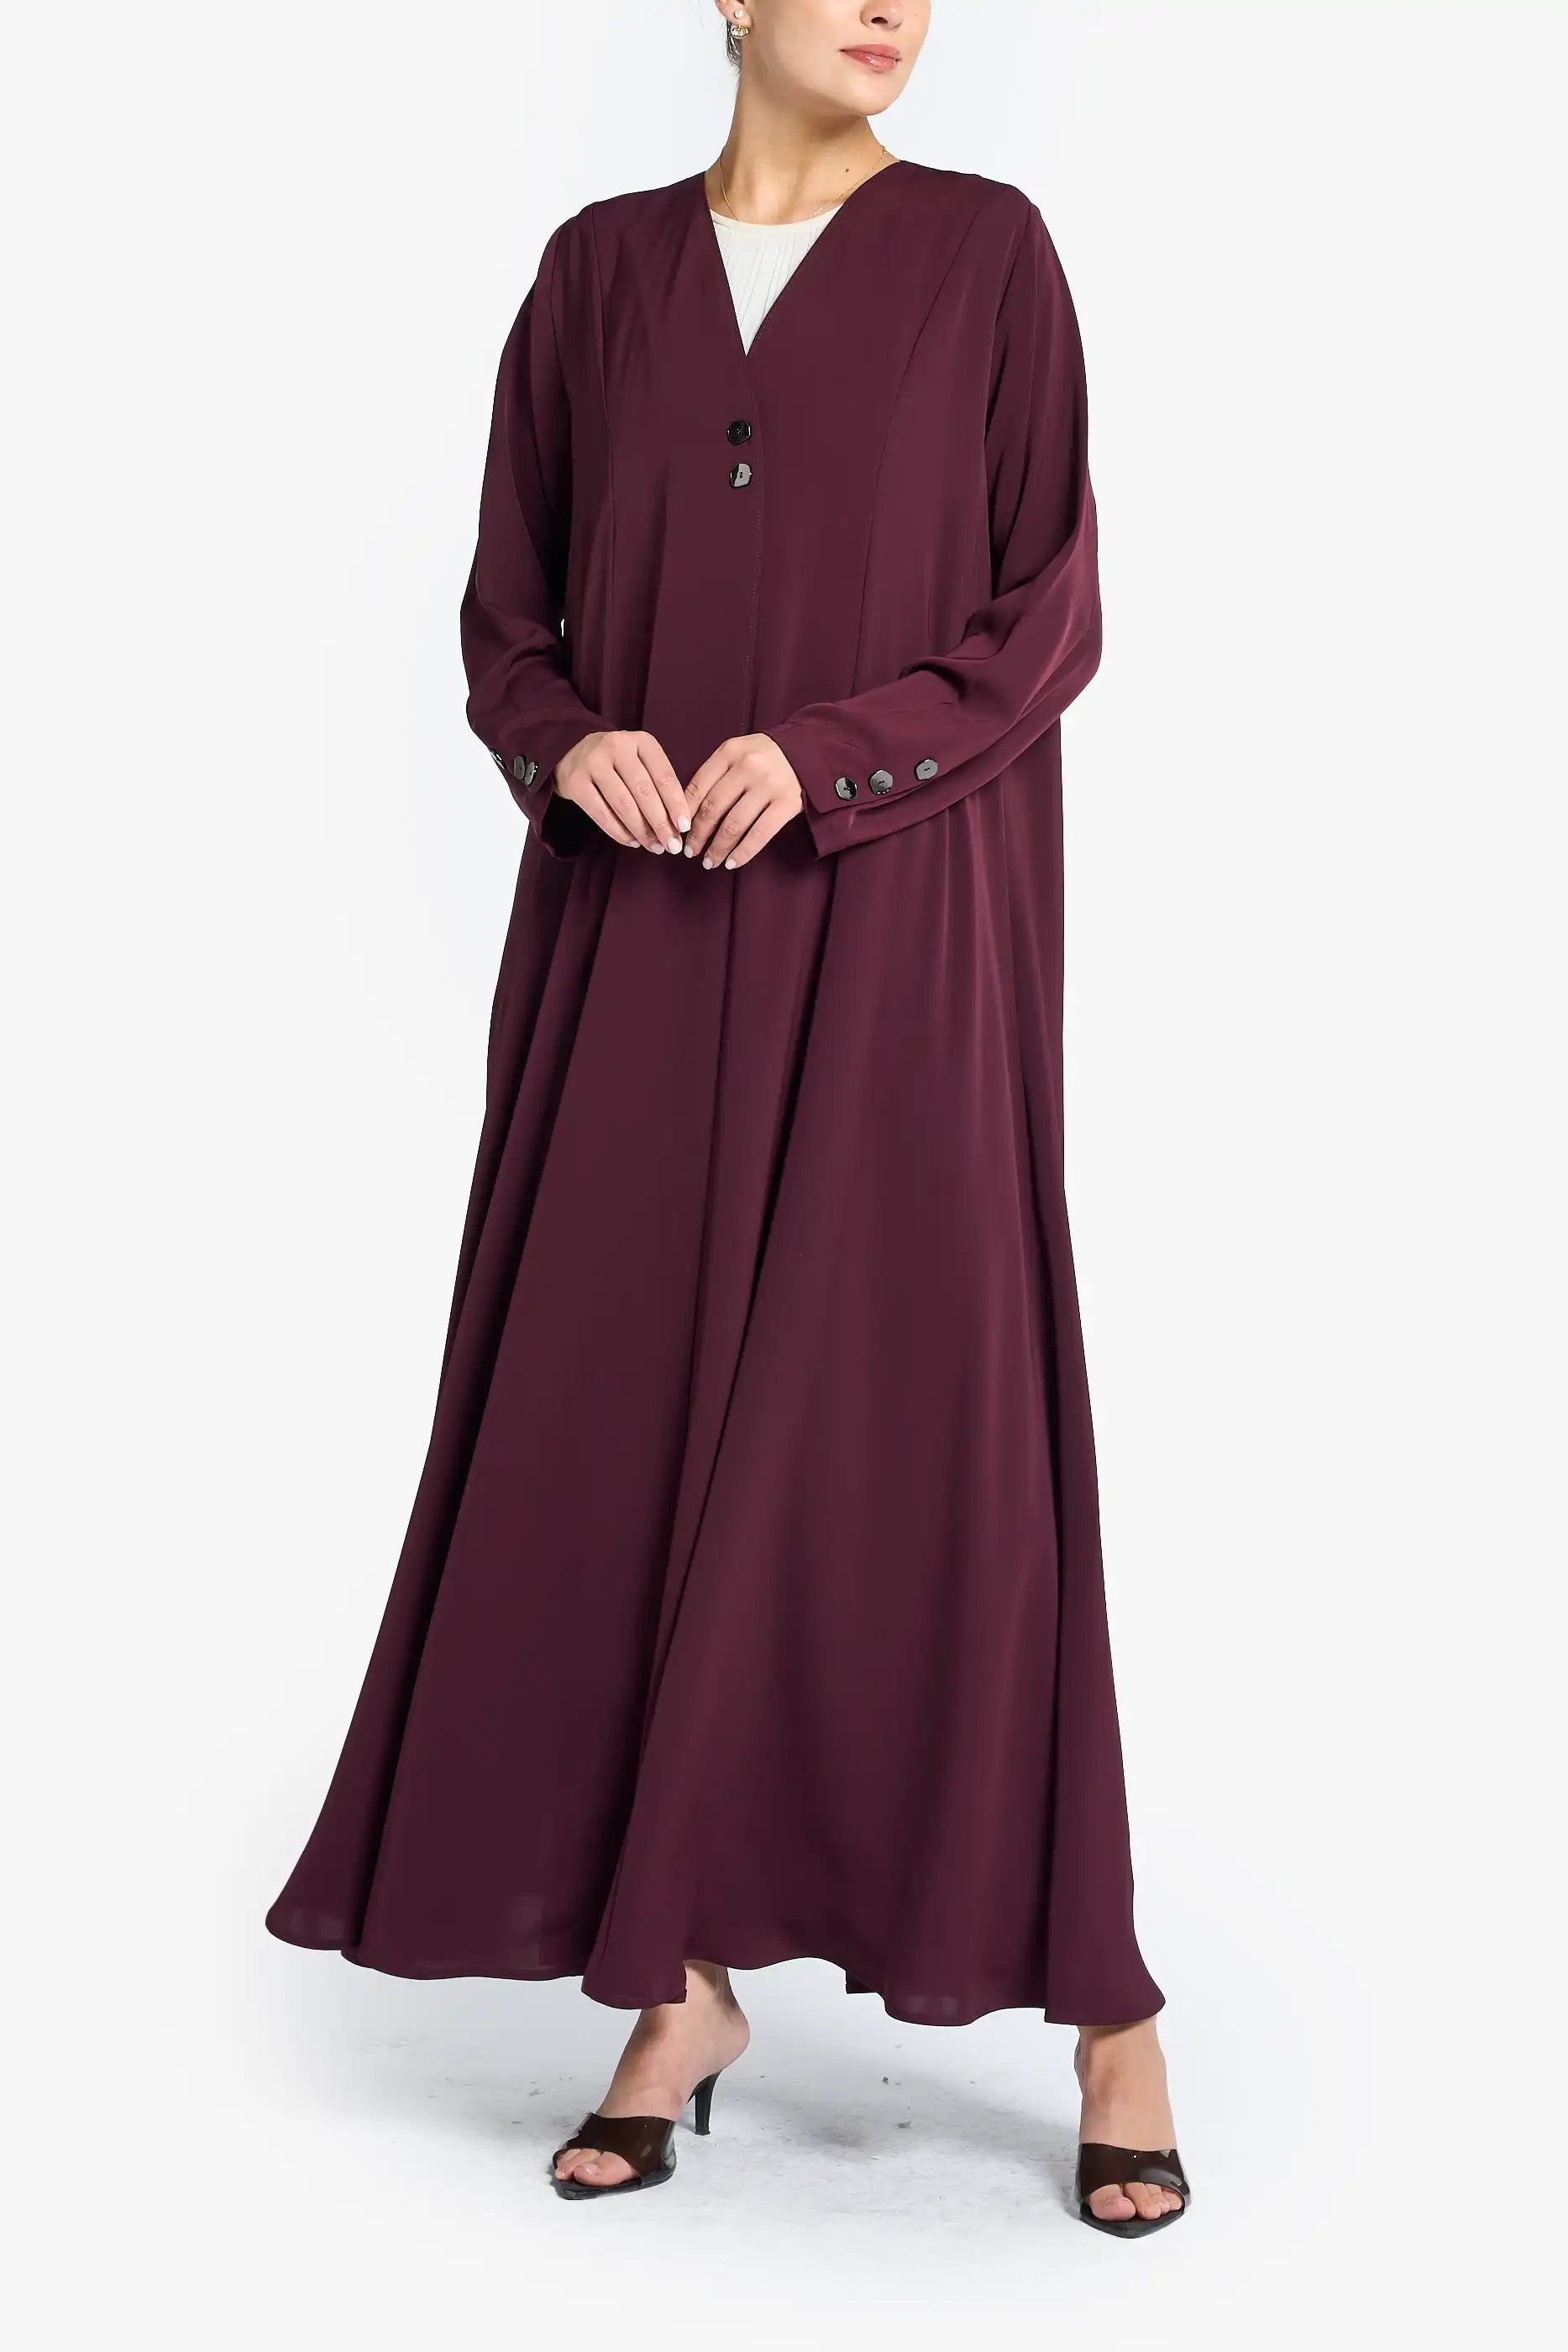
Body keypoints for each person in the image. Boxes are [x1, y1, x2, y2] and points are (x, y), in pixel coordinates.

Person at [265, 0, 1188, 2237]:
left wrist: (834, 758)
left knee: (928, 1435)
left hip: (902, 930)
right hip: (639, 932)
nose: (891, 6)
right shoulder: (598, 274)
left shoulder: (984, 255)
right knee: (609, 1424)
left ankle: (1104, 2007)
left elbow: (1045, 614)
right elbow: (510, 614)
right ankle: (673, 1987)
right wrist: (564, 741)